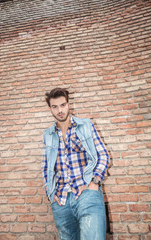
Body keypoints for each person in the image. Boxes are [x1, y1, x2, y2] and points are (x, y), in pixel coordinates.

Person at [42, 87, 109, 240]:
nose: (60, 110)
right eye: (55, 106)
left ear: (68, 104)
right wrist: (51, 194)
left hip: (87, 193)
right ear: (50, 108)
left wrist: (95, 182)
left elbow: (103, 155)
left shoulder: (86, 125)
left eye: (63, 105)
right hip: (61, 201)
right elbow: (45, 168)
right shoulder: (48, 135)